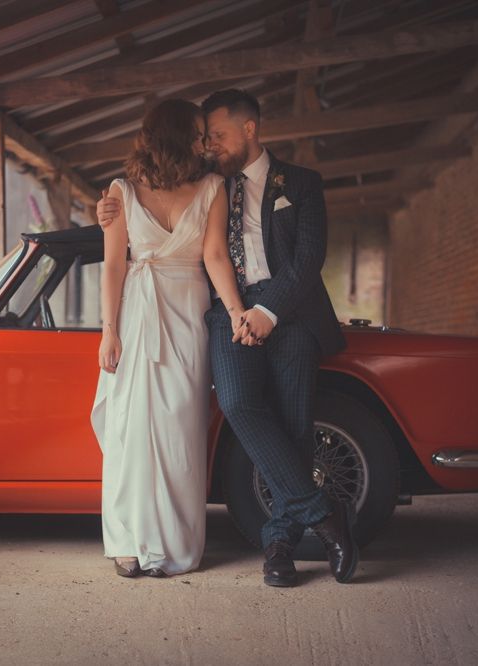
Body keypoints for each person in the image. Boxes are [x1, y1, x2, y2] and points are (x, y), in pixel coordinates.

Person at [97, 89, 357, 588]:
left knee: (296, 425)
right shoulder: (210, 183)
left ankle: (279, 544)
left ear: (250, 129)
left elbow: (306, 261)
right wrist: (107, 211)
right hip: (219, 315)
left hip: (290, 312)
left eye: (216, 136)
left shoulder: (300, 183)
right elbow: (162, 237)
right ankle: (325, 515)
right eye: (203, 137)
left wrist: (265, 310)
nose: (209, 145)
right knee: (237, 406)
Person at [90, 99, 244, 578]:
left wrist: (238, 313)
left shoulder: (213, 187)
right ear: (177, 136)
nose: (205, 141)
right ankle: (126, 543)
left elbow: (216, 255)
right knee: (130, 430)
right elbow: (114, 264)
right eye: (199, 132)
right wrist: (109, 331)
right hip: (136, 314)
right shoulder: (119, 192)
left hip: (187, 313)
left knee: (180, 429)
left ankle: (172, 544)